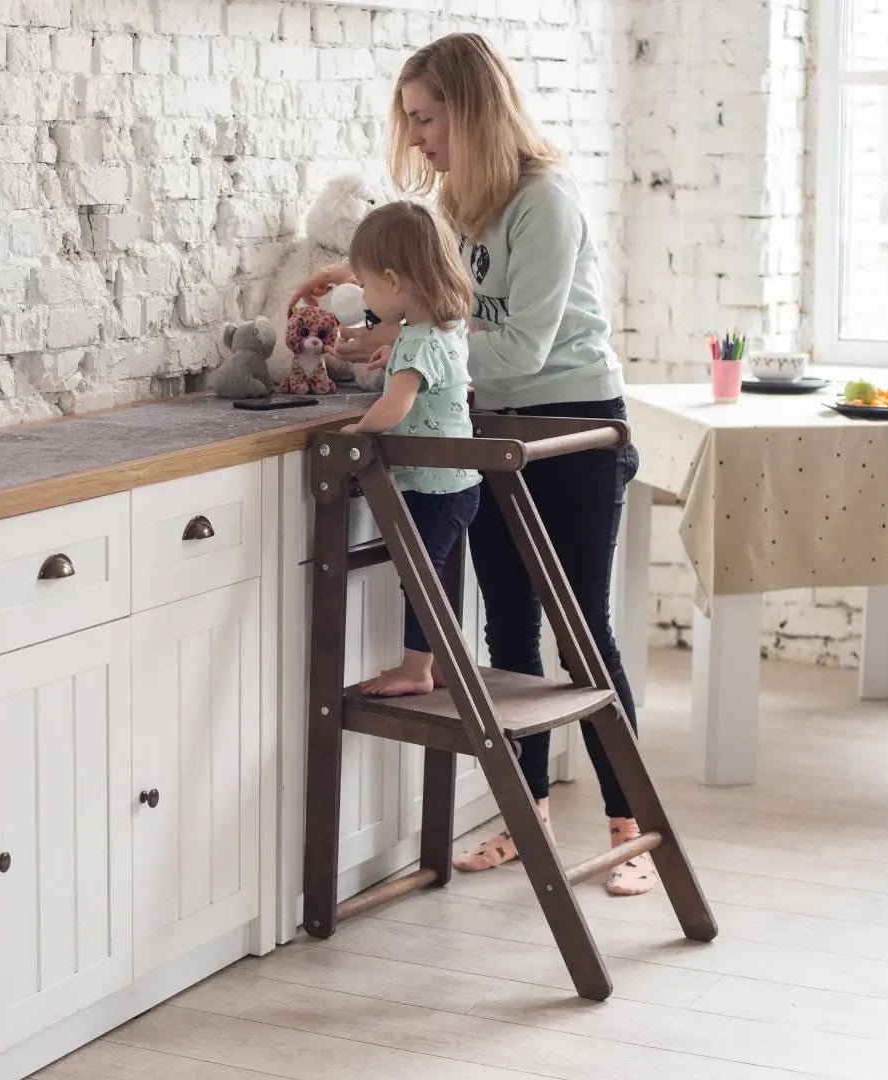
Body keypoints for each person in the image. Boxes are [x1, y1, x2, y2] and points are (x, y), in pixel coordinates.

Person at [292, 33, 654, 897]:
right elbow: (436, 298)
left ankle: (629, 827)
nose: (416, 137)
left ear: (472, 109)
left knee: (582, 631)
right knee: (508, 631)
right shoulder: (459, 201)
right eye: (410, 121)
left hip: (569, 425)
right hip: (483, 428)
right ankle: (523, 811)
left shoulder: (544, 202)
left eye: (426, 117)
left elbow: (523, 346)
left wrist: (417, 347)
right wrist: (367, 296)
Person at [339, 200, 481, 698]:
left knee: (420, 579)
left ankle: (416, 668)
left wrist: (357, 434)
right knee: (433, 572)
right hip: (457, 485)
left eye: (367, 285)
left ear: (395, 283)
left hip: (432, 485)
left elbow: (396, 407)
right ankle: (442, 661)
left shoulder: (417, 343)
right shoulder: (444, 329)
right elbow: (430, 374)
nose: (366, 296)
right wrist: (393, 356)